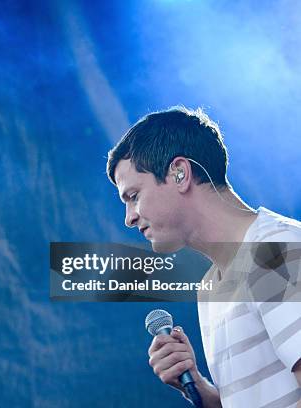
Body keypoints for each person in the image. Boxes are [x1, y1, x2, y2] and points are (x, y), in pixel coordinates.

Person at [106, 107, 301, 407]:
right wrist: (196, 386)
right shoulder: (211, 289)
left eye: (133, 196)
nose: (129, 218)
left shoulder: (275, 250)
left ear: (179, 173)